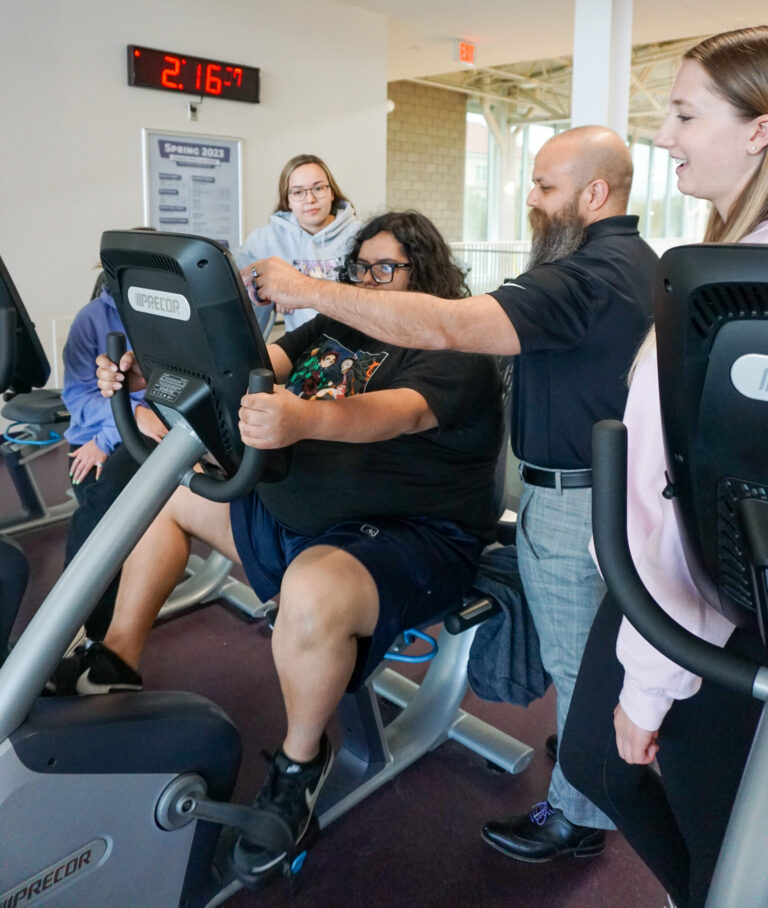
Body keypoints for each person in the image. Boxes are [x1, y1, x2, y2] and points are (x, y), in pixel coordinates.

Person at [248, 125, 659, 861]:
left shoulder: (587, 276)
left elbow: (446, 329)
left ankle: (578, 819)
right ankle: (591, 772)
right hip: (578, 486)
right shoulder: (631, 265)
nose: (531, 201)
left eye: (544, 187)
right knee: (588, 660)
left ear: (594, 194)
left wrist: (307, 288)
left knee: (579, 666)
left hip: (574, 497)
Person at [60, 211, 502, 877]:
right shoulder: (342, 324)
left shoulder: (454, 345)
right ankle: (116, 654)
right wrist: (162, 375)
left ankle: (300, 764)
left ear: (426, 275)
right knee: (163, 492)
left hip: (412, 535)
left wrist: (304, 419)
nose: (368, 282)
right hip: (301, 515)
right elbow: (258, 362)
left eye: (386, 270)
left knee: (311, 588)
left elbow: (399, 412)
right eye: (361, 269)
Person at [559, 26, 768, 908]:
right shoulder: (727, 267)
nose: (666, 136)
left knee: (700, 828)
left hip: (699, 619)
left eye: (685, 113)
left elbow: (699, 500)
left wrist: (650, 689)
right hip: (678, 601)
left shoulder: (736, 290)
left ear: (760, 129)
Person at [61, 273, 167, 639]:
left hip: (147, 434)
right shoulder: (90, 319)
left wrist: (112, 436)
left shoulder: (171, 316)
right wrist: (126, 421)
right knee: (96, 501)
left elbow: (172, 397)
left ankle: (84, 630)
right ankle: (71, 621)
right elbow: (78, 399)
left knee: (108, 502)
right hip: (95, 435)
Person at [234, 153, 360, 332]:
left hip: (354, 344)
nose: (310, 199)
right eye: (298, 192)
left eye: (318, 188)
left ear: (331, 192)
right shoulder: (266, 239)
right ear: (288, 200)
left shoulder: (360, 236)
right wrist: (269, 294)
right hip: (300, 349)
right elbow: (238, 281)